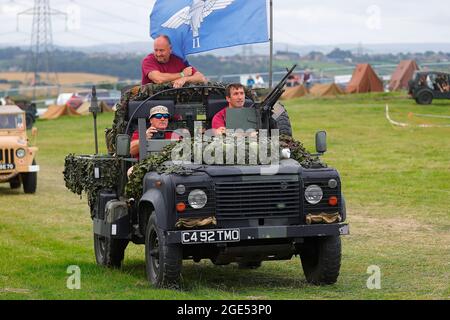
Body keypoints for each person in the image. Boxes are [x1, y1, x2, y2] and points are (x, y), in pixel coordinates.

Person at [141, 35, 206, 88]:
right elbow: (158, 79)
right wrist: (182, 74)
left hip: (174, 100)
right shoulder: (148, 61)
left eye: (161, 50)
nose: (158, 54)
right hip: (151, 101)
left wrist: (185, 79)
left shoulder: (179, 59)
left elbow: (201, 78)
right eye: (156, 50)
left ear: (170, 49)